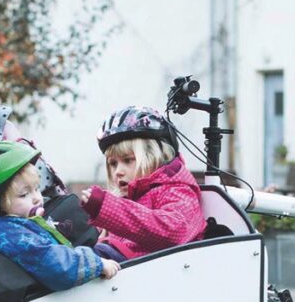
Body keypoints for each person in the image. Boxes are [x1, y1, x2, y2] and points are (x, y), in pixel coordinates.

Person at [0, 142, 120, 290]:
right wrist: (97, 263)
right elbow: (56, 266)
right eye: (24, 194)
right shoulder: (11, 235)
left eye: (36, 188)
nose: (37, 198)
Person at [80, 106, 205, 261]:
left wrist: (107, 208)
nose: (118, 171)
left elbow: (173, 232)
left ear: (154, 157)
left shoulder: (176, 190)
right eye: (113, 164)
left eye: (128, 160)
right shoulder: (123, 198)